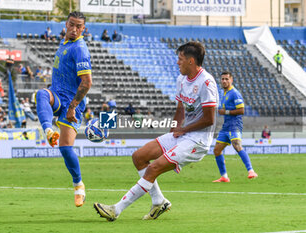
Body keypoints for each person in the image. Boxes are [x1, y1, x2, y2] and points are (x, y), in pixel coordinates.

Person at [94, 41, 219, 221]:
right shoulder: (181, 79)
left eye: (180, 59)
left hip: (198, 141)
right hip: (183, 134)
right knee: (139, 157)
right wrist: (174, 130)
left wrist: (183, 129)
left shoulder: (206, 82)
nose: (177, 62)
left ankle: (116, 209)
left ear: (191, 61)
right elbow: (180, 109)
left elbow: (209, 119)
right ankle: (159, 201)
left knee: (153, 169)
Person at [35, 11, 92, 208]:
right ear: (65, 25)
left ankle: (78, 185)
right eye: (71, 25)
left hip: (72, 103)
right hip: (57, 94)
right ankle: (49, 131)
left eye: (79, 26)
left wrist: (73, 107)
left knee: (66, 148)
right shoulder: (64, 42)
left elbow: (87, 82)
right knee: (42, 94)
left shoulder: (80, 49)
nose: (74, 29)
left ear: (83, 29)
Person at [212, 71, 258, 183]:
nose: (224, 81)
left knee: (237, 146)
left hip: (235, 124)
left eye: (227, 79)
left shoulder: (234, 93)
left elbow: (241, 110)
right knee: (217, 150)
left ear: (231, 80)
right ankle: (224, 177)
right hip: (226, 126)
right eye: (222, 79)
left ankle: (251, 171)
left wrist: (225, 112)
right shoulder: (224, 93)